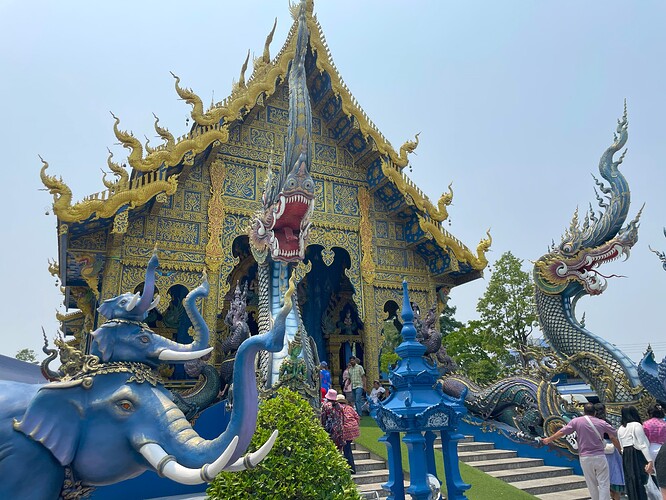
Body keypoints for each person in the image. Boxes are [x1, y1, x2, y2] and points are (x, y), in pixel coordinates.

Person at [542, 402, 621, 500]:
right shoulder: (601, 423)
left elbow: (562, 431)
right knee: (604, 482)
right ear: (595, 412)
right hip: (600, 456)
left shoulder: (576, 421)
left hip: (585, 457)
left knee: (591, 483)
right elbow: (614, 433)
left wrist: (549, 439)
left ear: (584, 412)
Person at [618, 405, 656, 500]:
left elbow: (622, 447)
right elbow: (642, 444)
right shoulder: (636, 425)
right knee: (642, 479)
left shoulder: (620, 429)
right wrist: (650, 461)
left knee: (631, 479)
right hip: (637, 454)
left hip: (626, 455)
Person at [595, 403, 626, 500]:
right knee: (614, 477)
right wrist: (620, 449)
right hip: (610, 451)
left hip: (597, 451)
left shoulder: (592, 423)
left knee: (603, 480)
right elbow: (612, 437)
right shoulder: (606, 422)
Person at [337, 394, 360, 474]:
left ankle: (348, 469)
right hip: (353, 429)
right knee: (347, 449)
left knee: (345, 450)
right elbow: (357, 417)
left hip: (344, 429)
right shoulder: (349, 408)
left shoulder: (337, 408)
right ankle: (351, 468)